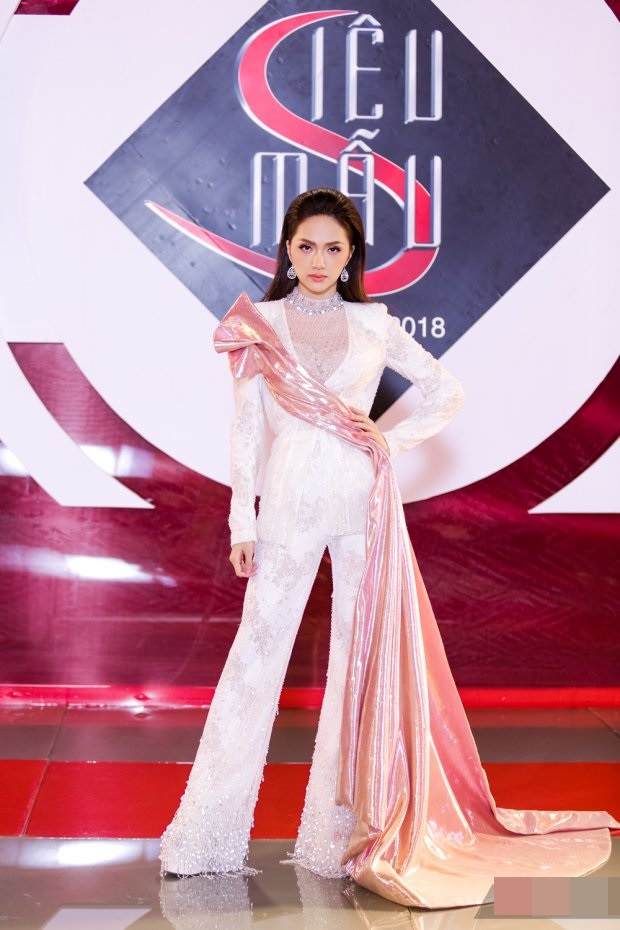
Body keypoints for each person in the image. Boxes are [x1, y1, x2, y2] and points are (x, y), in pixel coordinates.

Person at [160, 189, 618, 909]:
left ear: (351, 258)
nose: (318, 260)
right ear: (287, 251)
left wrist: (388, 441)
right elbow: (245, 431)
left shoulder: (374, 323)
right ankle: (203, 841)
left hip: (362, 502)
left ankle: (333, 839)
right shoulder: (258, 326)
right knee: (253, 662)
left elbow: (445, 391)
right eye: (306, 246)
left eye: (333, 248)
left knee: (357, 664)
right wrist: (240, 523)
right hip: (286, 503)